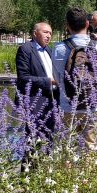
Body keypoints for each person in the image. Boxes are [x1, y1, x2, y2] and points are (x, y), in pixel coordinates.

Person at [53, 7, 97, 151]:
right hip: (93, 107)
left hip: (67, 106)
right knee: (90, 148)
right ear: (88, 24)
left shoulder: (59, 48)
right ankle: (88, 172)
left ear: (67, 26)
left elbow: (56, 77)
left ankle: (69, 173)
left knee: (67, 149)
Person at [15, 22, 59, 170]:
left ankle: (43, 172)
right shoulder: (25, 49)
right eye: (45, 32)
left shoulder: (50, 51)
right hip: (33, 101)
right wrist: (49, 81)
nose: (48, 36)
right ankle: (27, 175)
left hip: (51, 101)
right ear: (35, 33)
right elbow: (23, 77)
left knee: (48, 138)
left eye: (50, 33)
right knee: (32, 138)